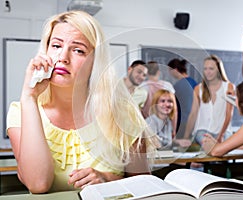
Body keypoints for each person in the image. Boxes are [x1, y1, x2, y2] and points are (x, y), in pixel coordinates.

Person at [6, 10, 157, 193]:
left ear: (95, 62)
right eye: (55, 46)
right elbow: (38, 184)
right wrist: (29, 97)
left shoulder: (123, 113)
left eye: (78, 50)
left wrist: (108, 179)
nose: (63, 57)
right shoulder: (21, 111)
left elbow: (145, 186)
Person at [184, 55, 235, 143]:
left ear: (218, 70)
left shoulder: (229, 87)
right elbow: (193, 114)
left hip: (224, 131)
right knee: (209, 146)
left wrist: (221, 135)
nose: (208, 72)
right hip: (202, 130)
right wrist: (186, 137)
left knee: (224, 146)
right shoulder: (198, 89)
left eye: (211, 69)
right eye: (205, 69)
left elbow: (229, 114)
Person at [140, 61, 177, 138]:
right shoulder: (167, 86)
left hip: (148, 125)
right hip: (165, 125)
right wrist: (174, 130)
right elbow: (174, 110)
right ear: (159, 72)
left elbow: (139, 111)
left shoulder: (142, 87)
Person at [168, 58, 197, 139]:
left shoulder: (178, 86)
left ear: (175, 70)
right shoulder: (194, 83)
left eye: (170, 70)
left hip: (182, 123)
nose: (169, 73)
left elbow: (173, 106)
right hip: (195, 122)